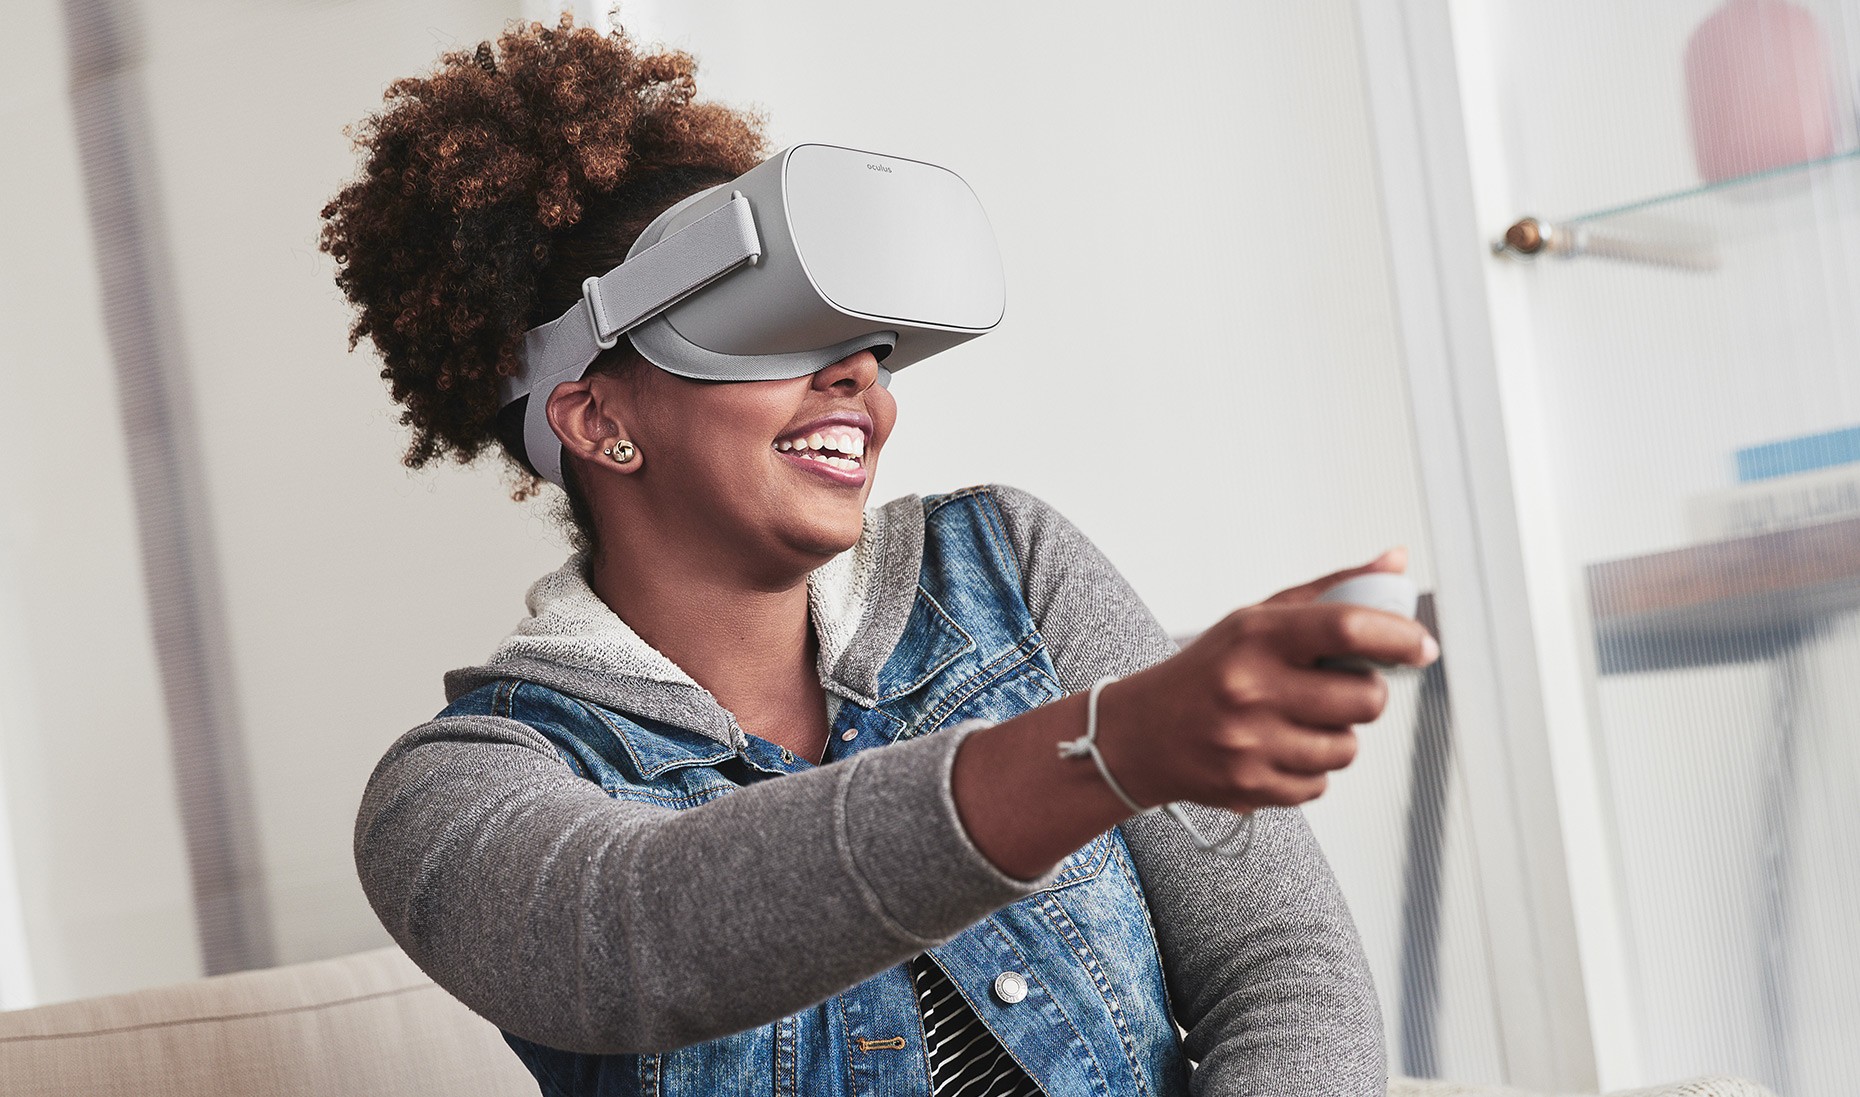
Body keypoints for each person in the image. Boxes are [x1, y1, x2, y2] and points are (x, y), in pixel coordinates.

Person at [322, 19, 1437, 1097]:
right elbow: (636, 933)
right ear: (597, 417)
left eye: (863, 342)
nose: (860, 371)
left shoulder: (1009, 569)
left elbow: (1285, 971)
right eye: (768, 325)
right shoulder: (455, 791)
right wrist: (1106, 748)